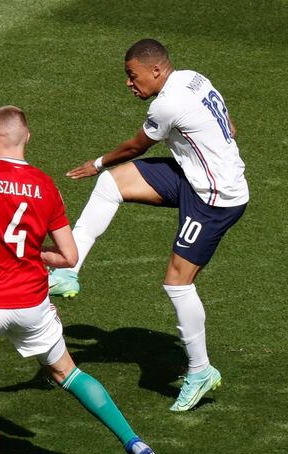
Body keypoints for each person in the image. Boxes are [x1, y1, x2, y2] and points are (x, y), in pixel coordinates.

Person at [0, 105, 168, 454]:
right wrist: (32, 252)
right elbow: (69, 256)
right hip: (32, 306)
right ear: (28, 139)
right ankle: (137, 444)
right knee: (67, 372)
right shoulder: (46, 186)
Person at [48, 39, 249, 412]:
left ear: (155, 70)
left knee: (177, 281)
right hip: (195, 177)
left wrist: (96, 162)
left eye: (132, 75)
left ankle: (201, 370)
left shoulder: (167, 103)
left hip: (215, 200)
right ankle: (68, 271)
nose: (128, 83)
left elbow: (135, 147)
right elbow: (231, 127)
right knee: (113, 184)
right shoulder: (194, 79)